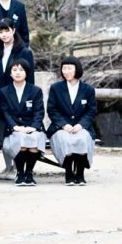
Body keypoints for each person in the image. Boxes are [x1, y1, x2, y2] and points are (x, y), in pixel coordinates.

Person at [0, 18, 34, 180]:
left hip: (19, 98)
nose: (4, 35)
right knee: (5, 133)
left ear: (13, 30)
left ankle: (17, 168)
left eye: (6, 30)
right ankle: (8, 167)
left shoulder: (25, 52)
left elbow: (31, 79)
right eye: (0, 32)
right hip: (0, 98)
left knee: (17, 132)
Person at [46, 55, 97, 185]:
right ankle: (68, 172)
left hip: (82, 126)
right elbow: (52, 110)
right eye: (64, 68)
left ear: (77, 69)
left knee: (82, 138)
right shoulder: (56, 88)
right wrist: (64, 125)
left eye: (70, 68)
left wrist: (81, 125)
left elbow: (91, 111)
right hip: (61, 127)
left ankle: (80, 173)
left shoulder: (88, 89)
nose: (66, 71)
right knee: (65, 139)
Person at [0, 58, 45, 186]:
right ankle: (20, 173)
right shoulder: (3, 92)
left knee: (34, 143)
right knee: (21, 142)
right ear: (10, 73)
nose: (18, 72)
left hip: (32, 128)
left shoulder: (35, 91)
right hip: (13, 129)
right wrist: (15, 127)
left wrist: (34, 127)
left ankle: (29, 173)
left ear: (27, 72)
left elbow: (39, 112)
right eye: (15, 70)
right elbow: (5, 113)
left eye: (21, 70)